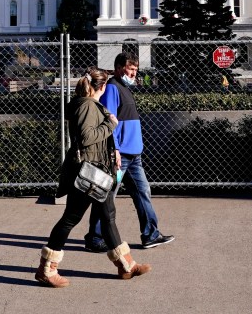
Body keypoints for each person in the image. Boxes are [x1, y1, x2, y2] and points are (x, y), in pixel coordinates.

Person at [35, 66, 151, 288]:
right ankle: (46, 269)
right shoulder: (87, 106)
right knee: (71, 218)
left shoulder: (88, 104)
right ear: (103, 86)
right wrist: (110, 124)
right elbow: (88, 137)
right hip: (88, 172)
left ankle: (126, 266)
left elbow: (94, 139)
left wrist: (113, 150)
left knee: (108, 216)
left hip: (96, 170)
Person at [84, 52, 175, 252]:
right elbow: (109, 122)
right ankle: (95, 237)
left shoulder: (125, 88)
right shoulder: (113, 89)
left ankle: (150, 235)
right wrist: (114, 149)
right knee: (105, 196)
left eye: (135, 69)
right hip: (120, 156)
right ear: (118, 68)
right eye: (130, 69)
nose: (134, 73)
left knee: (143, 192)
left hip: (134, 156)